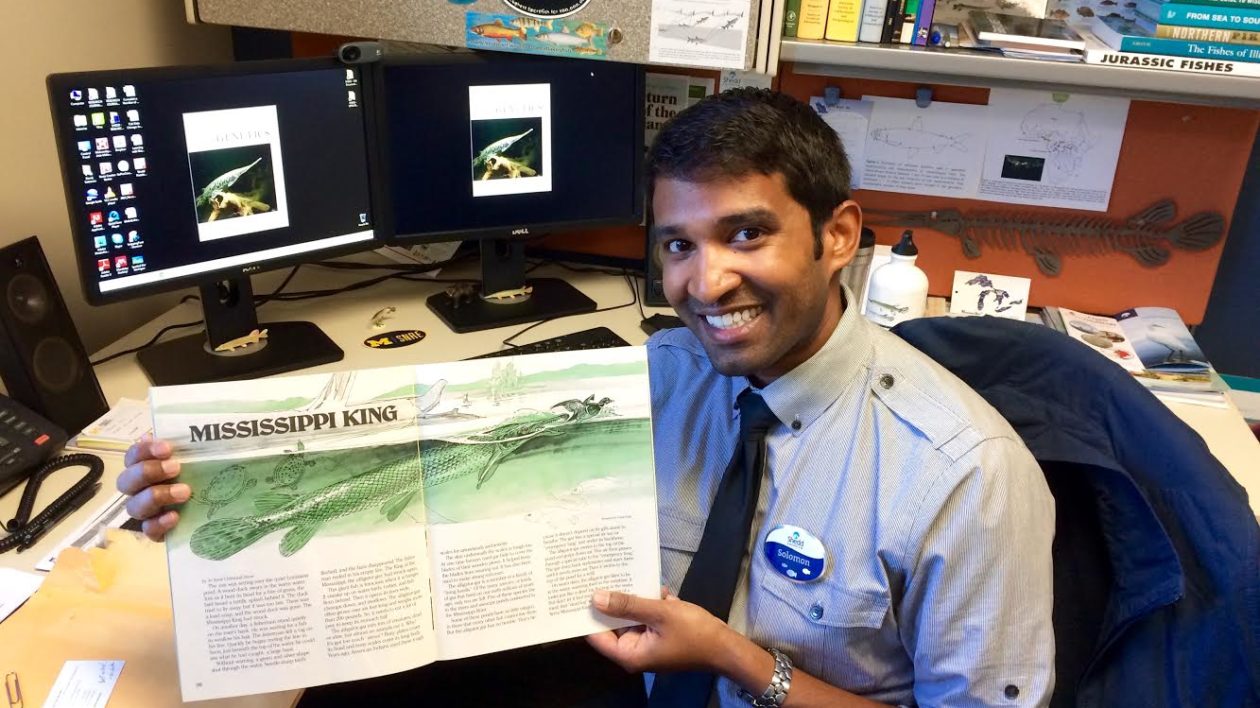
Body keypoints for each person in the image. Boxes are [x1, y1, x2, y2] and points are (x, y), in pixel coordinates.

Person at [117, 89, 1055, 707]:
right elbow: (417, 463)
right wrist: (205, 483)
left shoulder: (962, 475)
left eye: (746, 234)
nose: (706, 281)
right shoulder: (660, 375)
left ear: (838, 234)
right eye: (680, 244)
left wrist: (734, 656)